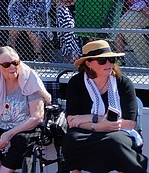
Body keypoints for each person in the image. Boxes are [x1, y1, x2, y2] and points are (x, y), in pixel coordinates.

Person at [63, 40, 148, 173]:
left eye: (111, 59)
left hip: (118, 130)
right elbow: (72, 120)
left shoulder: (123, 83)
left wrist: (91, 119)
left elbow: (130, 123)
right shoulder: (76, 82)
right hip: (86, 131)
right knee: (71, 140)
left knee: (115, 141)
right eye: (102, 61)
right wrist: (96, 125)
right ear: (88, 63)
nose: (108, 64)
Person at [0, 46, 50, 173]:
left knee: (21, 140)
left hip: (24, 126)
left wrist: (8, 134)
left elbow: (37, 117)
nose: (12, 67)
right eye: (6, 64)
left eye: (15, 63)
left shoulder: (30, 80)